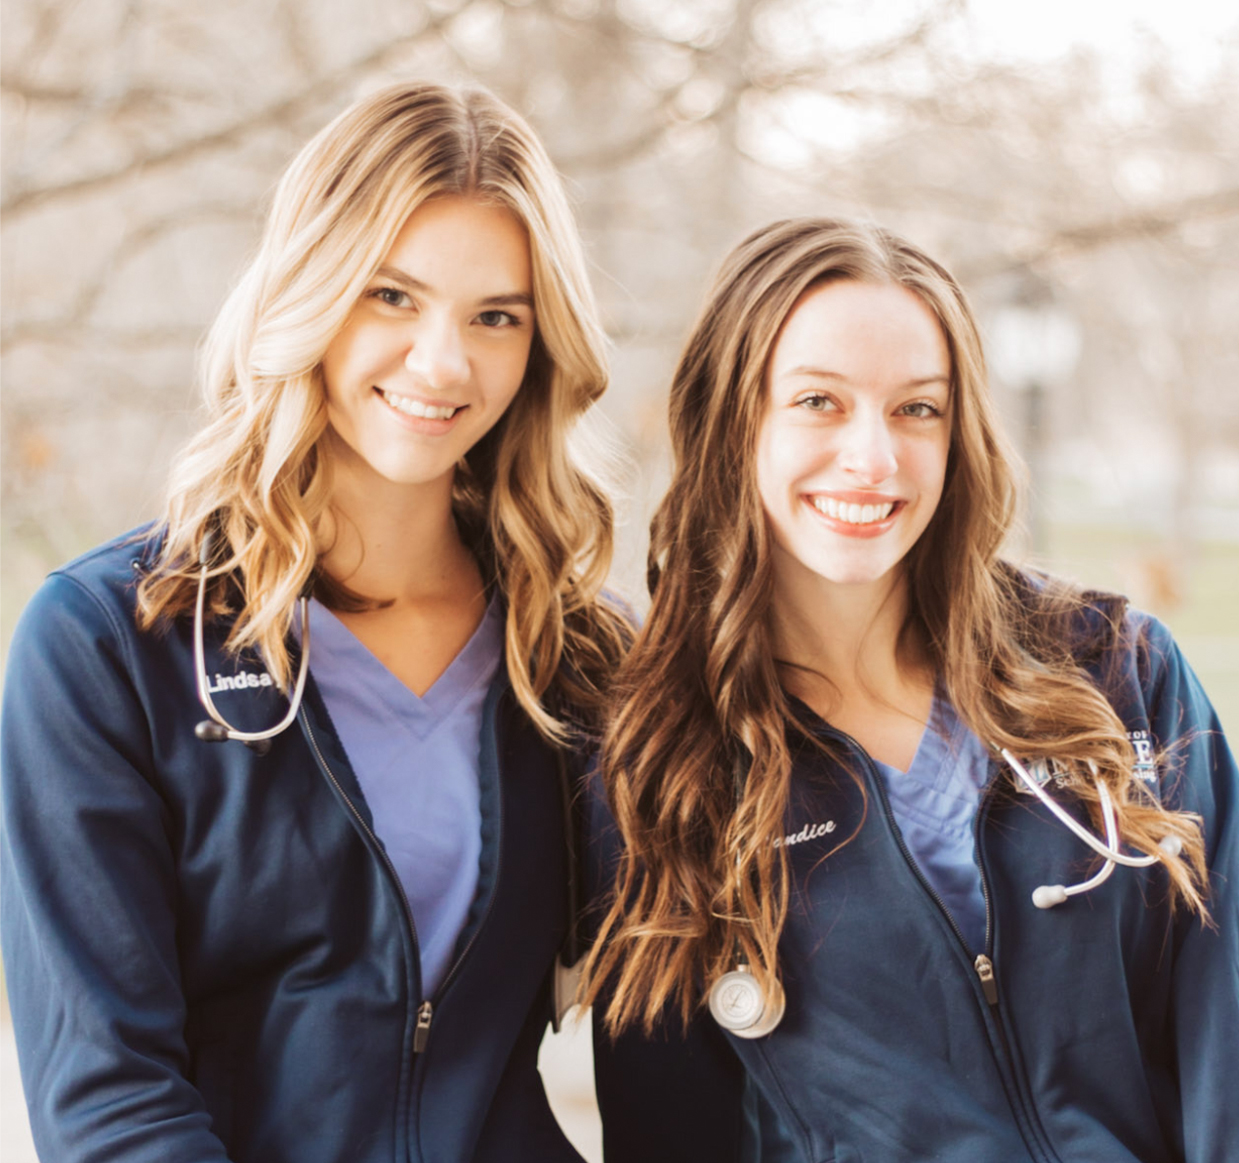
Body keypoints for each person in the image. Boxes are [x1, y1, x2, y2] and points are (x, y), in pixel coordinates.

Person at [1, 81, 629, 1163]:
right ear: (312, 290)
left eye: (496, 316)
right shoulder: (109, 644)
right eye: (392, 295)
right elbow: (112, 1102)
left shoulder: (573, 657)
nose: (443, 362)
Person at [582, 218, 1237, 1163]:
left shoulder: (1117, 674)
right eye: (818, 401)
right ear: (733, 421)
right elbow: (671, 1133)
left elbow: (1223, 1018)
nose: (874, 456)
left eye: (916, 408)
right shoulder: (664, 762)